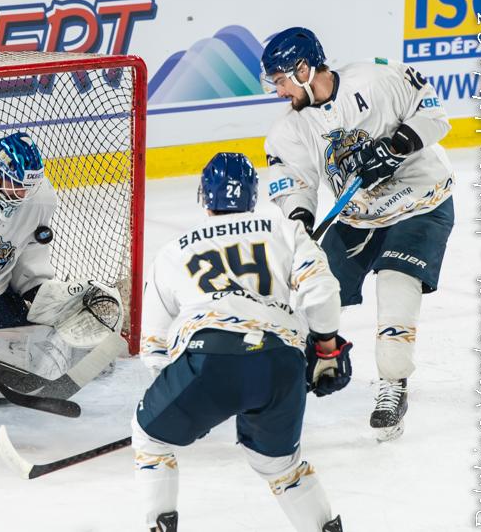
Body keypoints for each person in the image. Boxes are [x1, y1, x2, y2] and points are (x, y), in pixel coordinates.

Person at [133, 152, 348, 532]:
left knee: (151, 439)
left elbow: (153, 344)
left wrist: (186, 398)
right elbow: (322, 292)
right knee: (281, 467)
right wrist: (326, 350)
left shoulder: (174, 250)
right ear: (253, 195)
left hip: (207, 361)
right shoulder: (284, 229)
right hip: (280, 363)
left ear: (204, 195)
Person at [261, 27, 454, 441]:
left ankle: (393, 384)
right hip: (358, 216)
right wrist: (301, 223)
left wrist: (396, 146)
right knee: (314, 290)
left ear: (302, 69)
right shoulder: (287, 131)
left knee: (396, 284)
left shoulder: (376, 79)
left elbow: (435, 113)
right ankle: (306, 365)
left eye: (279, 80)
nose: (277, 91)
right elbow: (294, 183)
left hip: (420, 201)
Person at [0, 132, 123, 351]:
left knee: (32, 346)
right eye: (15, 184)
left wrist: (34, 287)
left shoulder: (41, 200)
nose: (22, 193)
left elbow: (30, 246)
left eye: (28, 186)